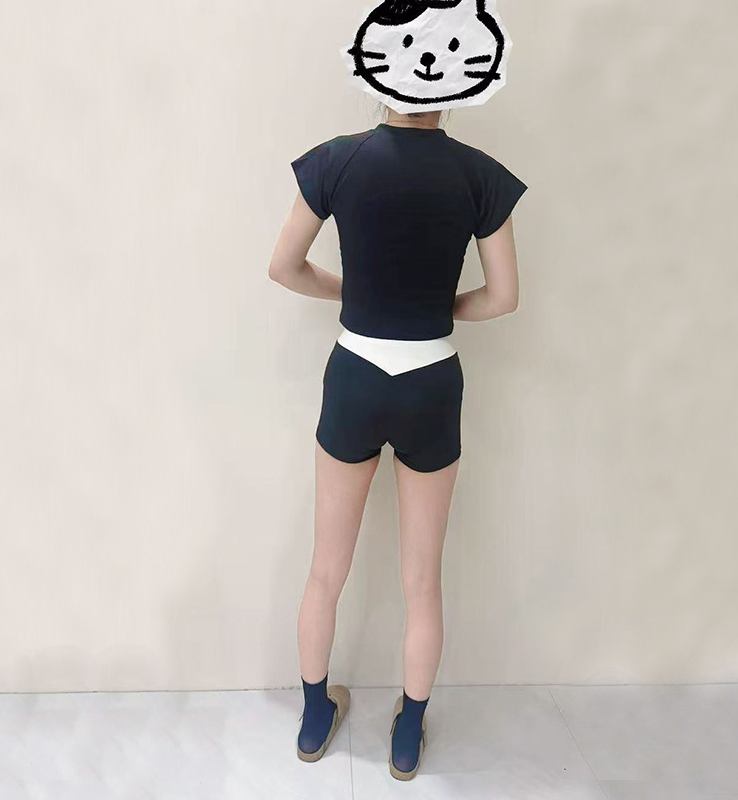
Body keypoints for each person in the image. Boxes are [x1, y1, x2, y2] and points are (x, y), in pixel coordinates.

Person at [268, 104, 527, 780]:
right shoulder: (480, 175)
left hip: (355, 372)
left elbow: (284, 267)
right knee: (422, 581)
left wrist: (353, 294)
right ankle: (408, 735)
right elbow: (503, 297)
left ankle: (315, 717)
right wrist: (441, 309)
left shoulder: (336, 160)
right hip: (432, 380)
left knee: (325, 570)